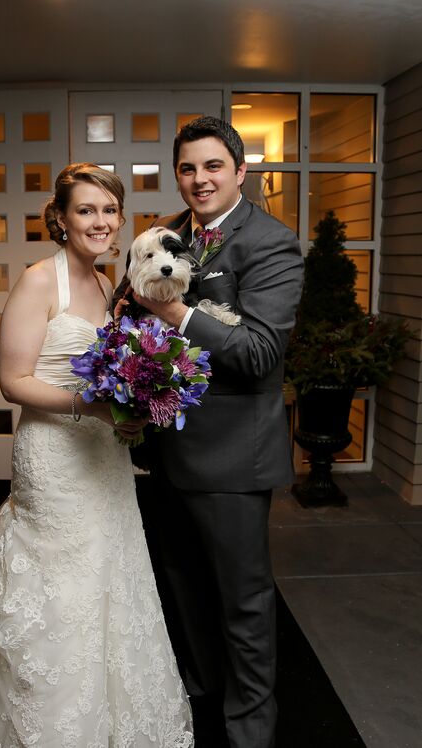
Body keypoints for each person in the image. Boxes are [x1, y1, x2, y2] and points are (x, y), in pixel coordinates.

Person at [0, 163, 194, 747]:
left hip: (104, 456)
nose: (99, 222)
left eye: (109, 210)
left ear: (120, 219)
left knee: (111, 573)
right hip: (54, 456)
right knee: (57, 586)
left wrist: (137, 403)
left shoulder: (110, 286)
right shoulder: (36, 281)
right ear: (60, 218)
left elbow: (121, 370)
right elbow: (12, 380)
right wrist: (92, 408)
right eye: (86, 210)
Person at [115, 117, 304, 748]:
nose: (199, 179)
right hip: (168, 449)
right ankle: (201, 690)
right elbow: (130, 301)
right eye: (189, 168)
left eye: (213, 166)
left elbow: (257, 355)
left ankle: (251, 730)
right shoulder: (174, 233)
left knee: (244, 600)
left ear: (241, 171)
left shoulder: (271, 242)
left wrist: (171, 308)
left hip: (232, 457)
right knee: (184, 578)